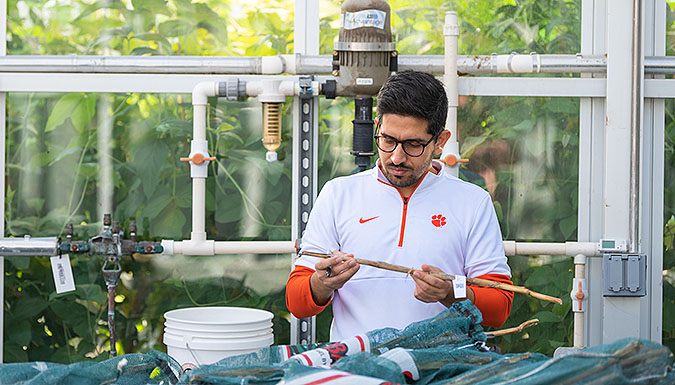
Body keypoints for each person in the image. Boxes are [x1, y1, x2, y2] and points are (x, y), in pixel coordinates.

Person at [286, 70, 513, 342]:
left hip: (443, 368)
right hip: (357, 367)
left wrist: (451, 293)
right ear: (377, 128)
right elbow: (296, 301)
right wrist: (320, 284)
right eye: (388, 140)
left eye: (413, 145)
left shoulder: (472, 202)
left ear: (439, 141)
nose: (396, 157)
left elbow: (500, 304)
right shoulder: (339, 194)